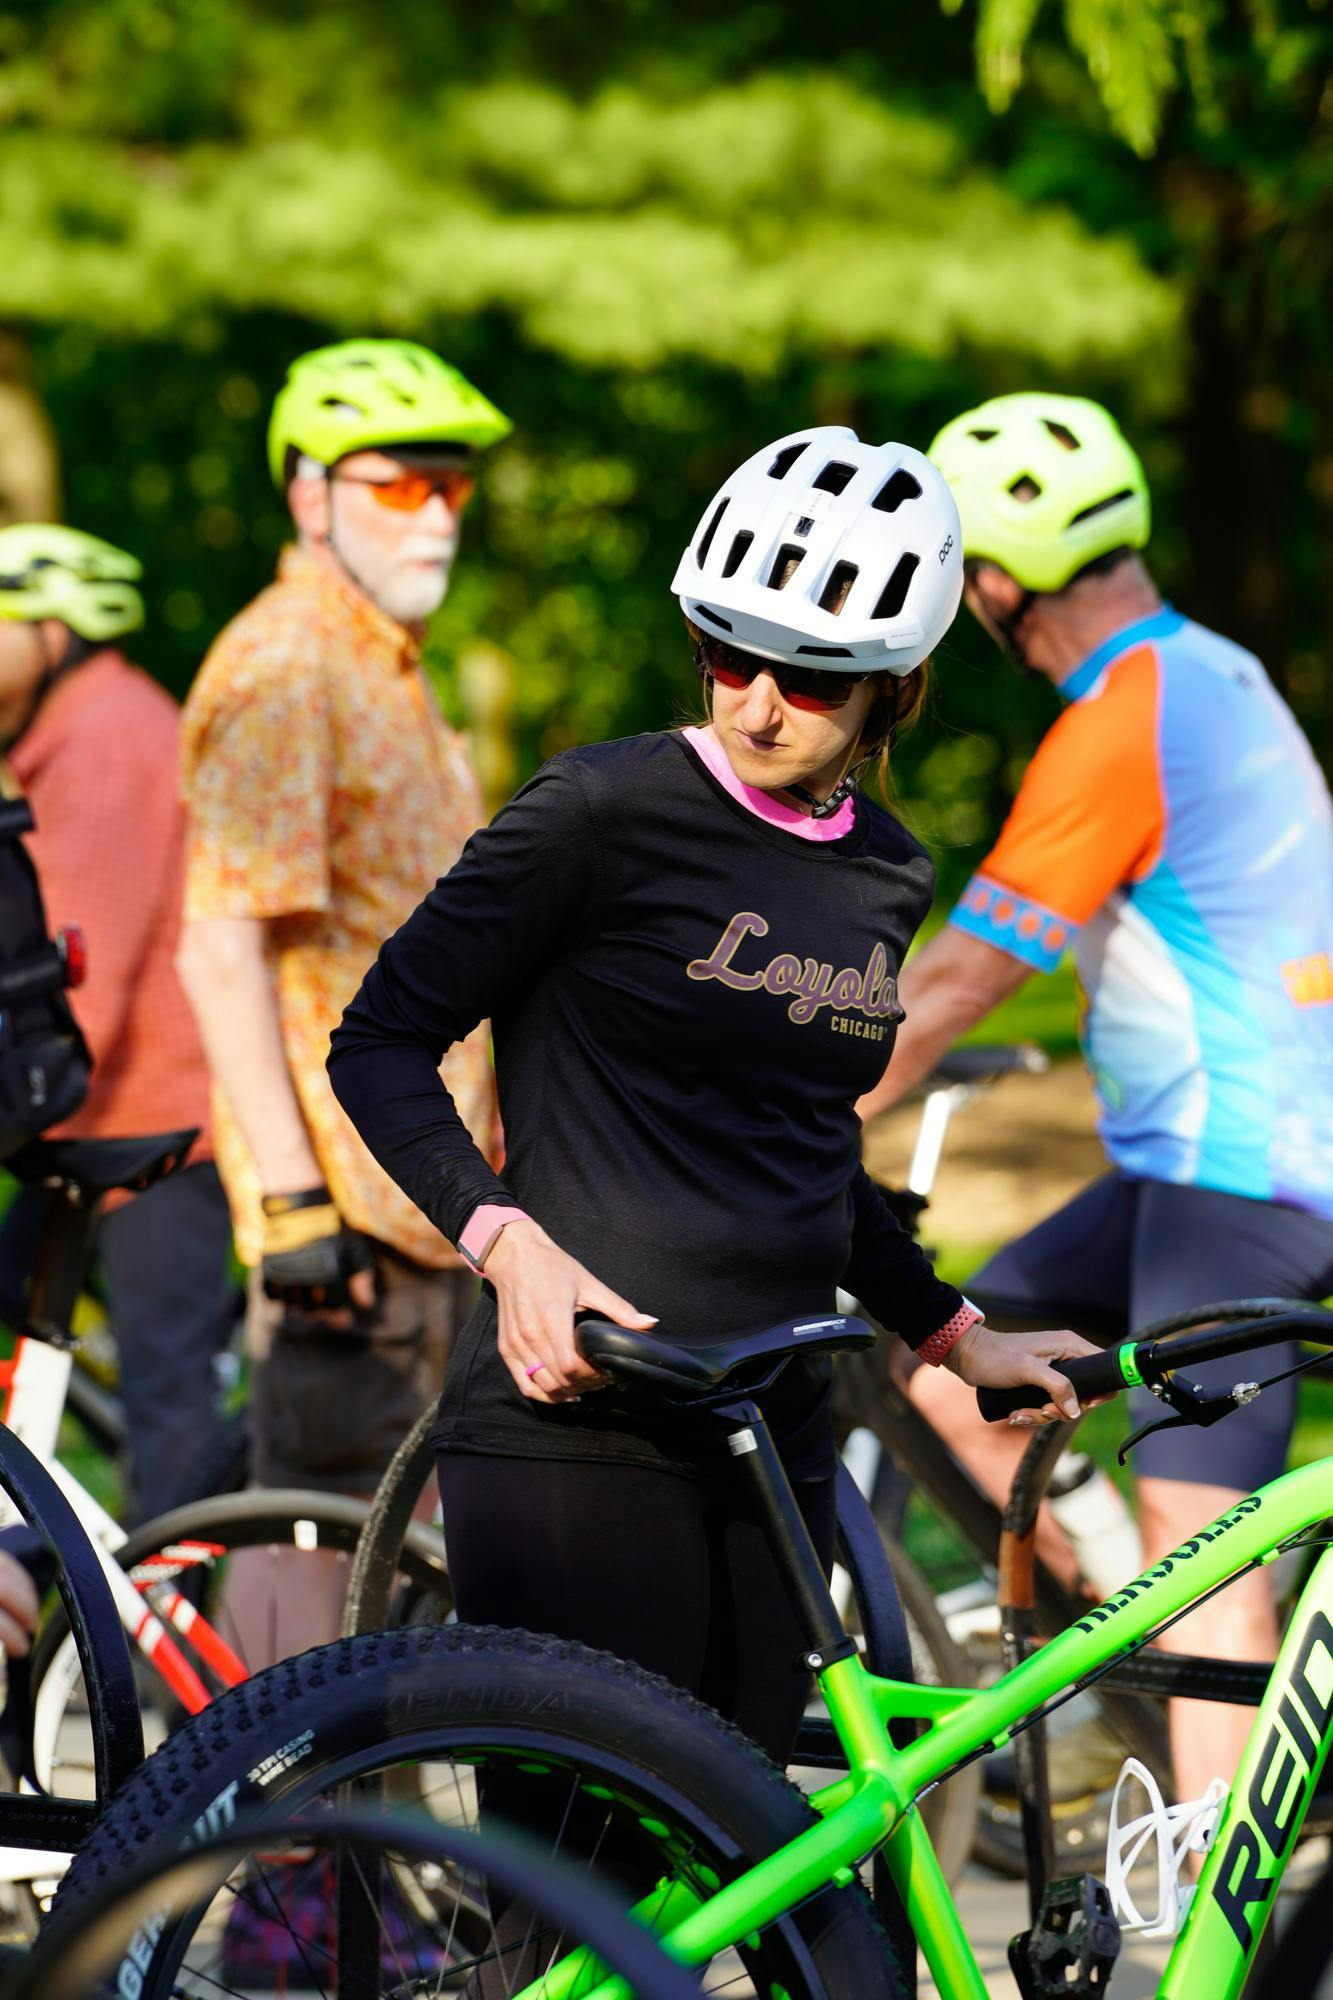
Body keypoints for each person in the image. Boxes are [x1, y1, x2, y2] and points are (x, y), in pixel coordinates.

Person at [327, 425, 1097, 1775]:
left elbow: (799, 1150)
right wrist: (503, 1242)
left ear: (894, 688)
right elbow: (380, 1041)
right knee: (575, 1893)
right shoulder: (599, 809)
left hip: (771, 1425)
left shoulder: (886, 875)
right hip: (579, 1415)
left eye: (806, 678)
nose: (756, 703)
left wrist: (948, 1329)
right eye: (728, 655)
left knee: (739, 1874)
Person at [856, 391, 1333, 1803]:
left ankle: (1222, 1888)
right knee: (946, 1371)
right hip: (1189, 1168)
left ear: (994, 585)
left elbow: (952, 984)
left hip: (1241, 1187)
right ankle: (1131, 1645)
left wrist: (788, 1121)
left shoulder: (1121, 721)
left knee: (1210, 1563)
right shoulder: (1212, 668)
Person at [176, 339, 510, 1655]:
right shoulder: (283, 666)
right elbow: (223, 948)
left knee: (367, 1541)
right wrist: (290, 1200)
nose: (433, 513)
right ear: (310, 495)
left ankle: (326, 1836)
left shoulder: (388, 663)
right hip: (345, 1214)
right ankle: (289, 1850)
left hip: (423, 1194)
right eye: (398, 486)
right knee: (313, 1549)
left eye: (453, 487)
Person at [0, 524, 236, 1525]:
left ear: (53, 629)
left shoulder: (106, 739)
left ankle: (178, 1664)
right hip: (98, 1122)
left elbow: (68, 972)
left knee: (167, 1407)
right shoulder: (80, 729)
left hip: (153, 1132)